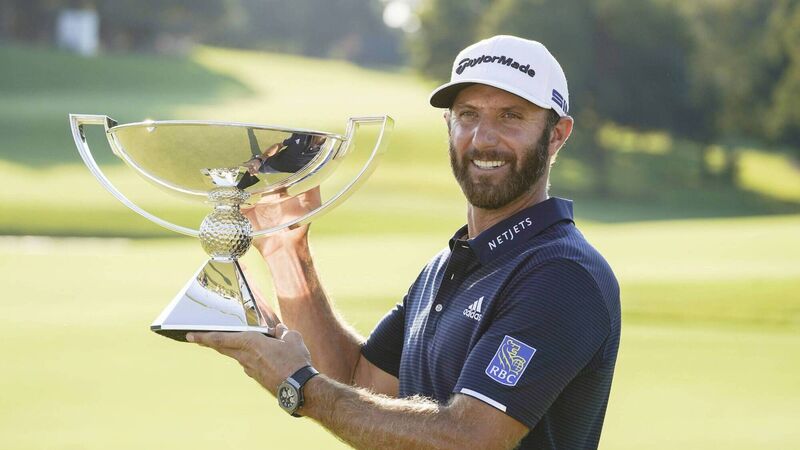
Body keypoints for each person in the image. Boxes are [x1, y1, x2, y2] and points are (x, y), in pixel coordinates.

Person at [188, 35, 621, 449]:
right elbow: (355, 381)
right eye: (468, 115)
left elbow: (471, 439)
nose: (483, 138)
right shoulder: (446, 266)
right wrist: (287, 251)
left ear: (557, 134)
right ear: (448, 125)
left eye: (511, 116)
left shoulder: (562, 275)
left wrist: (301, 385)